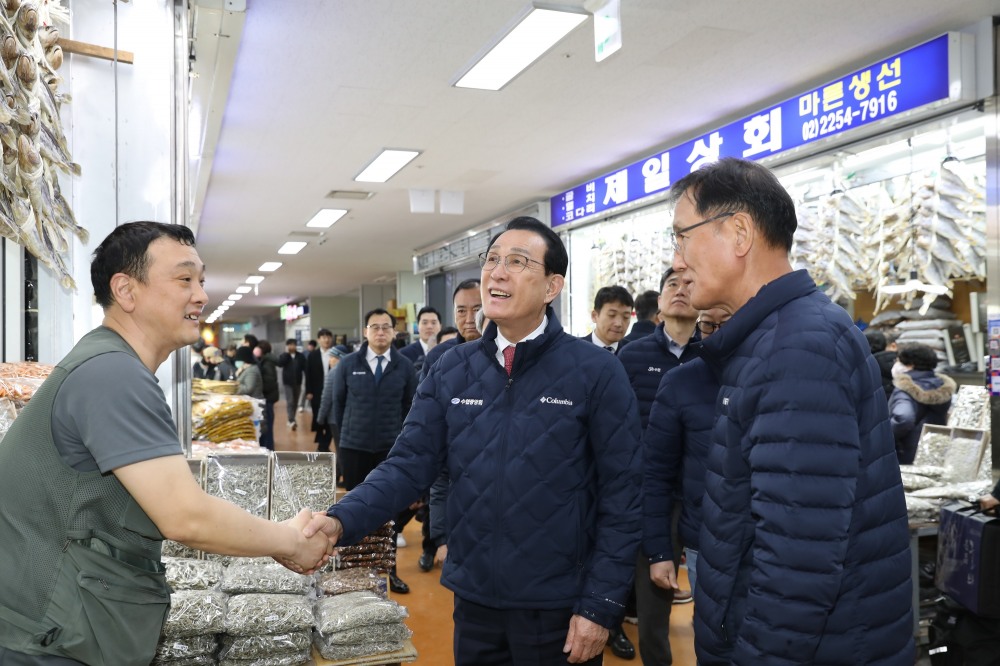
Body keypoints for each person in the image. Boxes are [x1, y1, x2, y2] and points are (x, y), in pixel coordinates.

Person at [305, 216, 643, 665]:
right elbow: (408, 465)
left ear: (552, 286)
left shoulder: (596, 371)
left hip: (558, 603)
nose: (497, 273)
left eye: (517, 262)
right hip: (475, 599)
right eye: (492, 260)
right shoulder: (452, 368)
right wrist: (338, 521)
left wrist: (600, 605)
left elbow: (624, 495)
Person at [0, 222, 331, 666]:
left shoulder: (110, 363)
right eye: (184, 279)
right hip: (43, 638)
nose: (201, 295)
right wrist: (289, 541)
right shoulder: (112, 374)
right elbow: (185, 517)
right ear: (126, 290)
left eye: (201, 280)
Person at [668, 158, 913, 665]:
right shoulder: (774, 337)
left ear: (739, 233)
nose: (676, 260)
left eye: (681, 237)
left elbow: (798, 561)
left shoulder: (796, 348)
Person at [617, 268, 701, 665]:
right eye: (672, 285)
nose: (680, 291)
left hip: (704, 493)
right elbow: (616, 426)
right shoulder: (633, 356)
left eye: (689, 285)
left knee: (715, 603)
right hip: (651, 495)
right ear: (659, 304)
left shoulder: (715, 354)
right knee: (652, 609)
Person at [641, 306, 730, 665]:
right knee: (714, 641)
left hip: (770, 544)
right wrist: (659, 552)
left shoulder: (775, 374)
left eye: (726, 323)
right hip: (704, 541)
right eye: (708, 325)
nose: (717, 334)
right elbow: (656, 472)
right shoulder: (682, 382)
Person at [327, 308, 417, 594]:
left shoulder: (404, 367)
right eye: (374, 327)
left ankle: (391, 572)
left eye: (386, 327)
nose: (380, 332)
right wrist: (345, 439)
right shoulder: (348, 364)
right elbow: (338, 405)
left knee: (389, 515)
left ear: (394, 332)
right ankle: (353, 573)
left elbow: (411, 409)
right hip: (354, 447)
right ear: (365, 331)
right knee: (352, 510)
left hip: (390, 451)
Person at [888, 343, 956, 465]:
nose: (896, 364)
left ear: (910, 364)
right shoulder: (942, 387)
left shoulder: (905, 389)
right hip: (936, 449)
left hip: (907, 453)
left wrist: (884, 436)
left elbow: (903, 418)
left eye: (899, 361)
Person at [418, 278, 482, 381]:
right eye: (461, 311)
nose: (469, 319)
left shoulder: (505, 351)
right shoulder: (438, 355)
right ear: (454, 314)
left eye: (477, 310)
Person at [306, 328, 337, 453]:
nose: (326, 340)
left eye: (328, 337)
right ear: (318, 340)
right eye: (323, 337)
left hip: (333, 390)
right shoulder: (313, 355)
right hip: (316, 392)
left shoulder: (335, 354)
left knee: (331, 419)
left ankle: (323, 445)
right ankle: (322, 443)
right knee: (318, 418)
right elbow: (308, 374)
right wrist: (308, 391)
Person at [581, 285, 633, 355]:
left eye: (626, 317)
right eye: (612, 315)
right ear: (594, 316)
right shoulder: (576, 349)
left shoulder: (633, 352)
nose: (618, 324)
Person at [399, 306, 442, 373]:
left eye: (433, 323)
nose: (429, 326)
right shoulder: (403, 354)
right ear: (417, 326)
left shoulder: (447, 351)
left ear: (440, 326)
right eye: (425, 323)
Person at [277, 338, 307, 430]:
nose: (292, 346)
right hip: (287, 383)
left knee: (295, 401)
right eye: (290, 345)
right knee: (290, 401)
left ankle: (292, 418)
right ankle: (291, 420)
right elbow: (280, 364)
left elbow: (305, 368)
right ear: (287, 346)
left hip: (297, 382)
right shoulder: (284, 356)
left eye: (293, 345)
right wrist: (286, 354)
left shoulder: (300, 356)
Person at [256, 339, 280, 450]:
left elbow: (269, 382)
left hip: (268, 398)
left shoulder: (267, 363)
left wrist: (260, 388)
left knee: (268, 426)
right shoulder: (265, 361)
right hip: (269, 397)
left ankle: (269, 450)